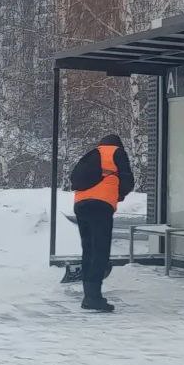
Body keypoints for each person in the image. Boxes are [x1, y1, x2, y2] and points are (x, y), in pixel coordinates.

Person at [70, 133, 134, 312]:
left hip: (81, 204)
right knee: (100, 250)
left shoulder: (93, 154)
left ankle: (88, 295)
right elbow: (128, 181)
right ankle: (93, 297)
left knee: (88, 249)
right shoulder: (117, 153)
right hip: (100, 205)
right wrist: (118, 195)